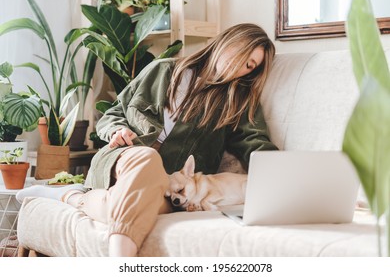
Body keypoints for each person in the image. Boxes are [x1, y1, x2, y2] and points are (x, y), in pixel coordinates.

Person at [16, 23, 278, 256]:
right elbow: (112, 115)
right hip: (127, 157)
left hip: (169, 184)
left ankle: (72, 197)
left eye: (249, 66)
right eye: (241, 55)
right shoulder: (163, 71)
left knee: (145, 204)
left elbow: (255, 142)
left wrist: (282, 171)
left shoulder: (237, 102)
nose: (240, 67)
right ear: (226, 43)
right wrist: (117, 131)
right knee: (148, 158)